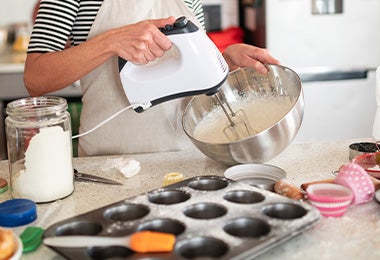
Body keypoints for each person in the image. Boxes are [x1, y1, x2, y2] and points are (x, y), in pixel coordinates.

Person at [24, 0, 279, 157]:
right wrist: (112, 41)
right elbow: (36, 78)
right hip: (109, 167)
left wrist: (224, 60)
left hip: (190, 159)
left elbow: (191, 67)